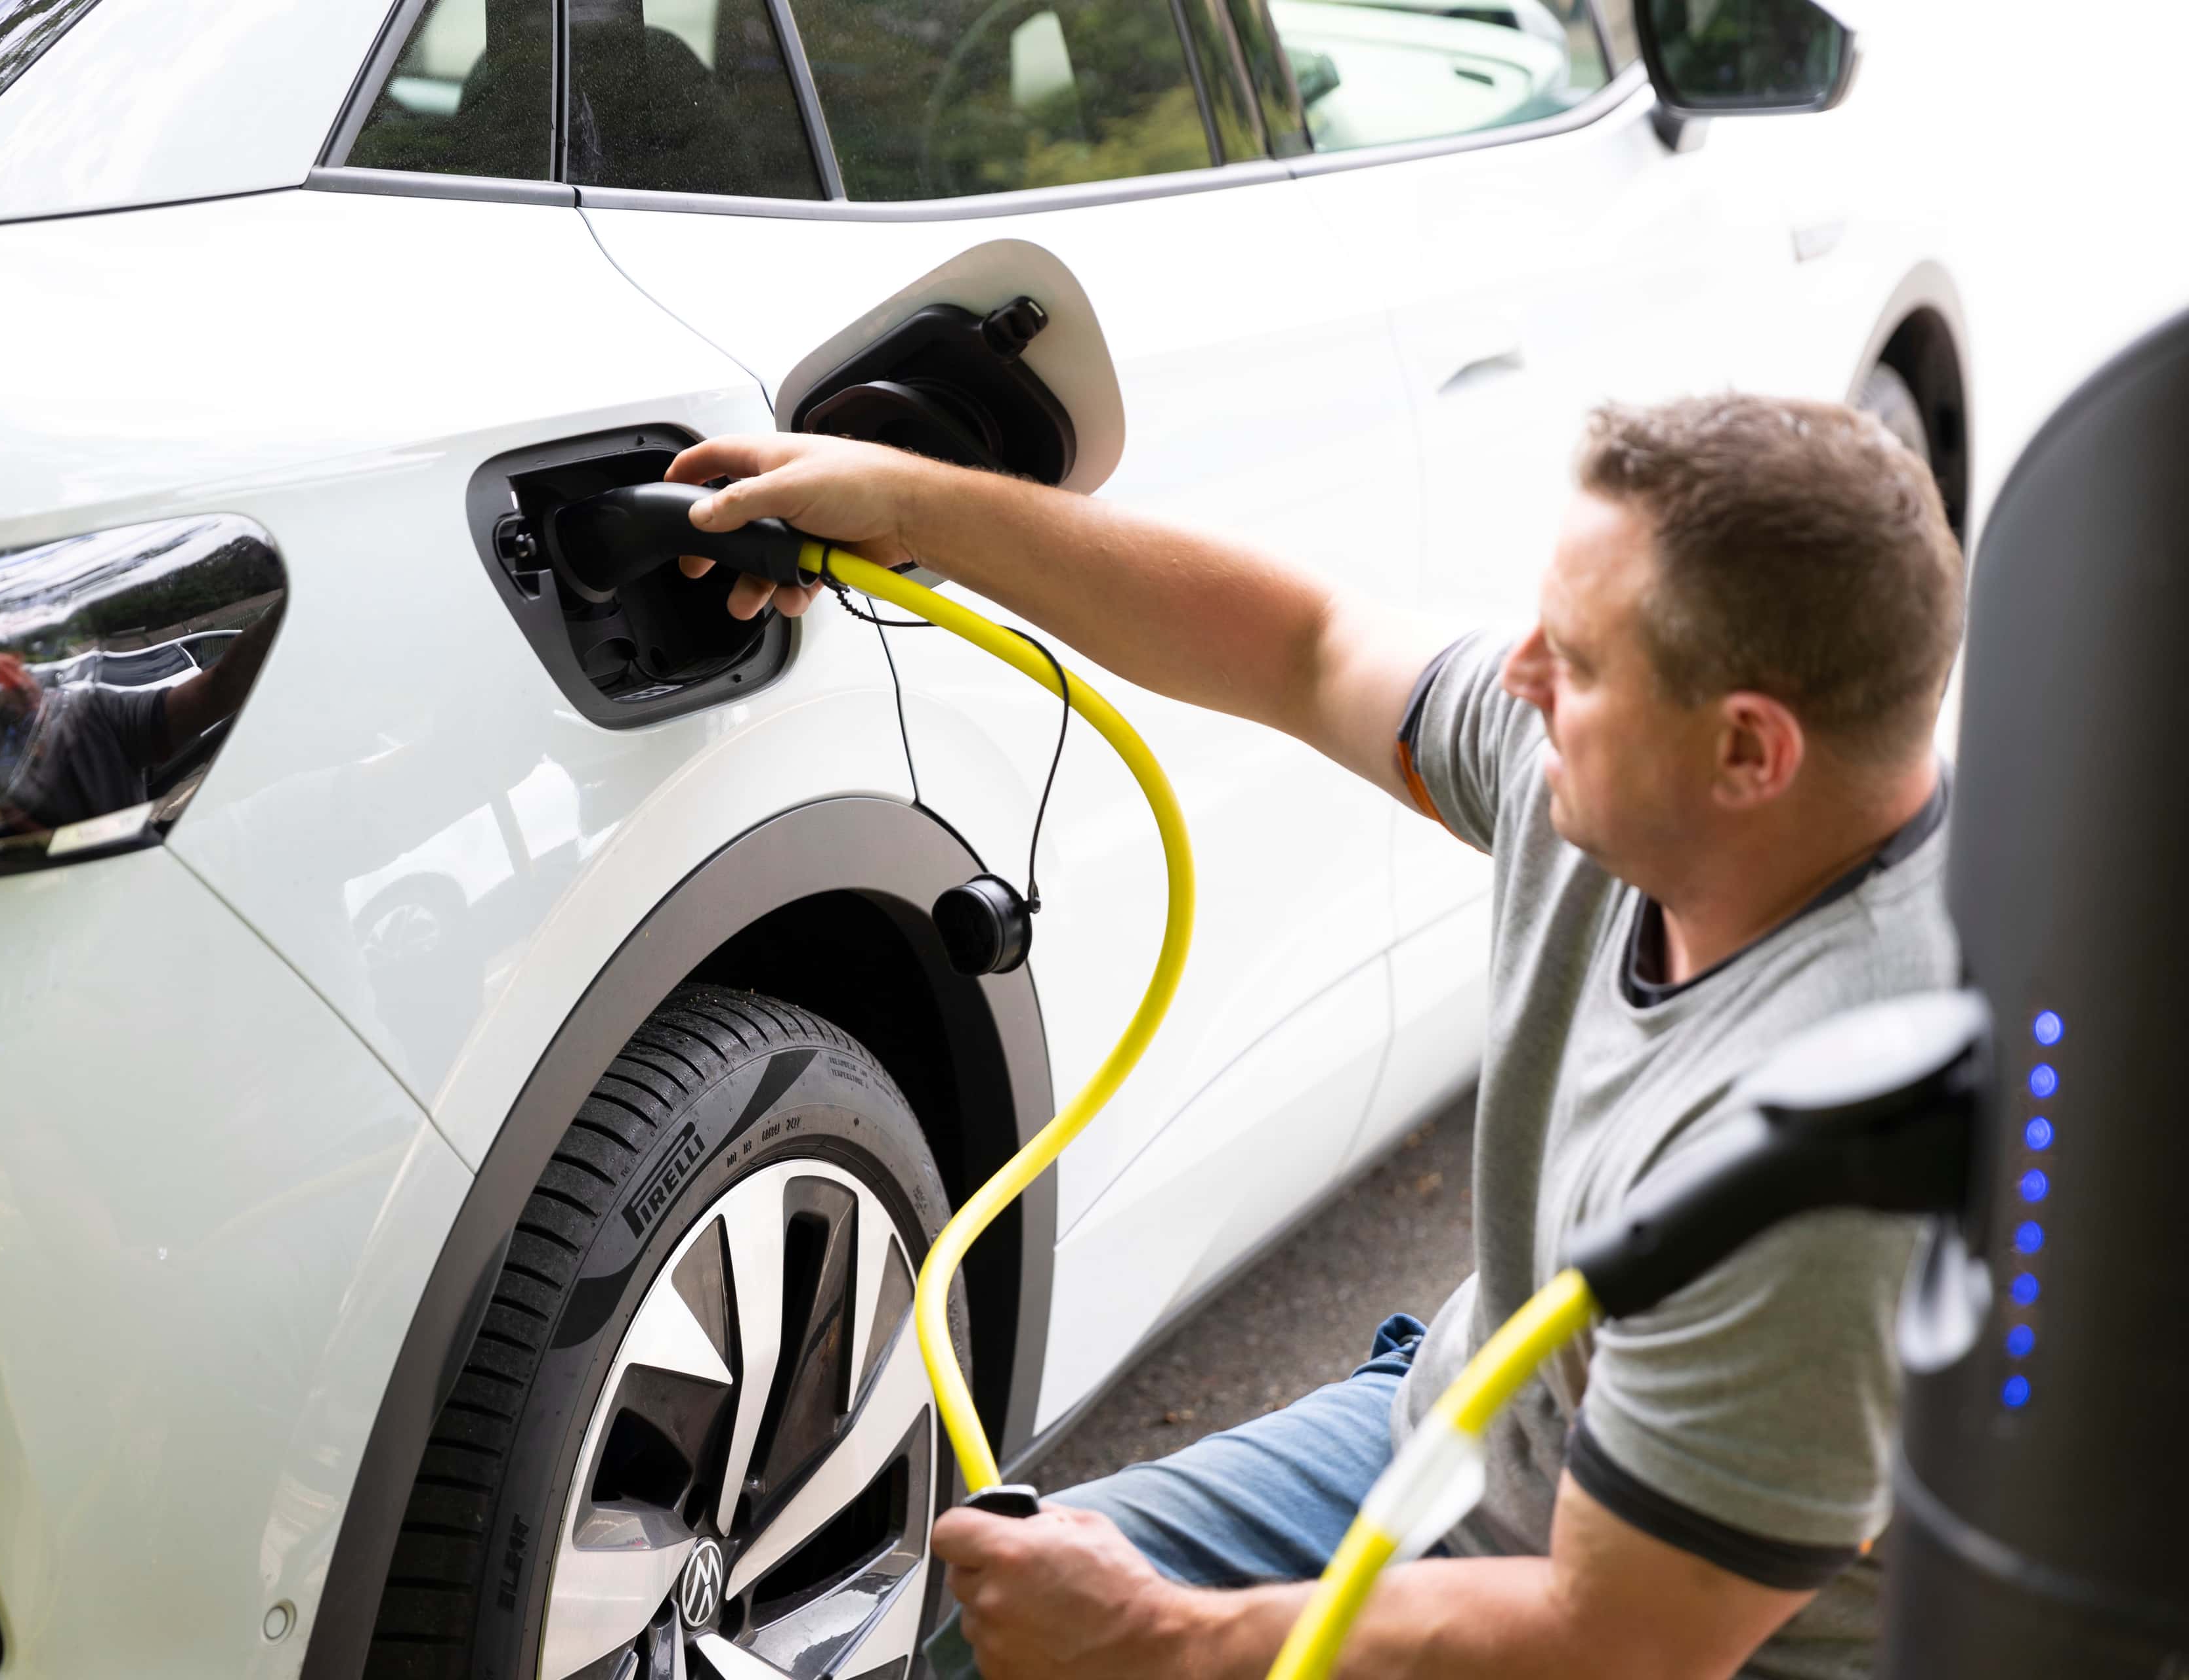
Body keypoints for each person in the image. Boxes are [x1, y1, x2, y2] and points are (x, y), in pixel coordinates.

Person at [668, 392, 1966, 1680]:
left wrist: (1163, 1638)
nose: (1517, 677)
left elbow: (1618, 1635)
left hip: (1684, 1627)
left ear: (1750, 749)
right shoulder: (1623, 769)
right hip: (1464, 1434)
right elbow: (1305, 644)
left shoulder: (1841, 1146)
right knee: (991, 1636)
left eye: (1573, 662)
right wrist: (914, 502)